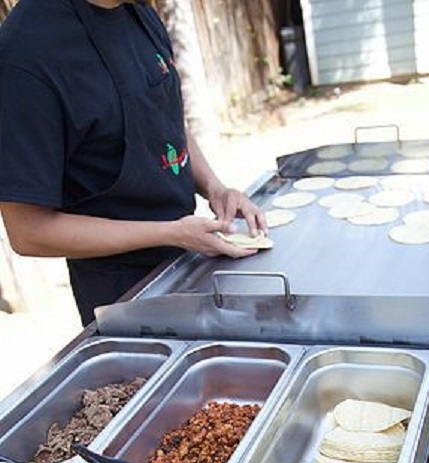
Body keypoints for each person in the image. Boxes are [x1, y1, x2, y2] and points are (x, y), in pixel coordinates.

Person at [0, 0, 267, 326]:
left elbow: (164, 114)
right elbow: (28, 232)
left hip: (188, 260)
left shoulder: (138, 11)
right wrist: (171, 233)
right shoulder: (24, 56)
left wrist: (215, 188)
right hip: (121, 294)